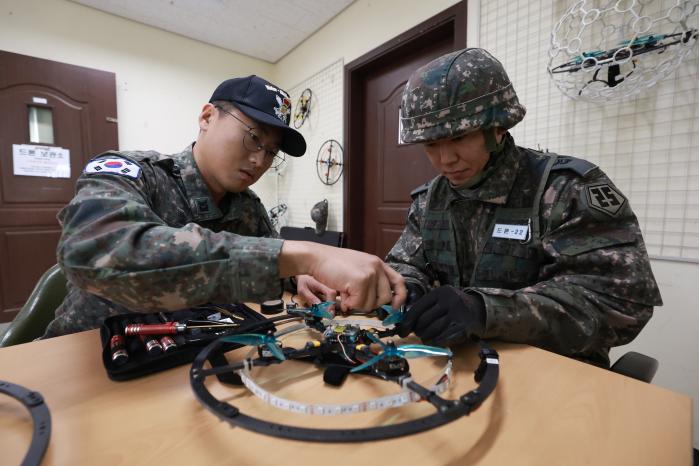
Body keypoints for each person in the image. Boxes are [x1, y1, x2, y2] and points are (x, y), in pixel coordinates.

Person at [43, 75, 405, 338]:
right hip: (88, 353)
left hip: (183, 356)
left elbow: (273, 256)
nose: (259, 159)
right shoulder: (133, 174)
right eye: (253, 138)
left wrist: (299, 276)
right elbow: (97, 255)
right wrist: (311, 255)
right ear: (206, 118)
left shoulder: (246, 206)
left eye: (271, 152)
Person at [384, 48, 662, 367]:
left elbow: (622, 304)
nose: (445, 160)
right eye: (431, 144)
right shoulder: (430, 200)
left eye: (460, 137)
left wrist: (485, 310)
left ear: (499, 126)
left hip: (556, 375)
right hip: (459, 368)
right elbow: (406, 264)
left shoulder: (567, 189)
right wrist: (408, 290)